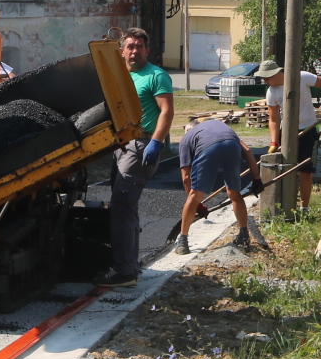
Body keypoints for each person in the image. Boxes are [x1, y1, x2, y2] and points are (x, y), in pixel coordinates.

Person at [99, 28, 174, 287]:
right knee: (126, 208)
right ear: (122, 51)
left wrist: (156, 142)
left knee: (121, 207)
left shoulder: (156, 75)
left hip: (141, 145)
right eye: (130, 46)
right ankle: (130, 265)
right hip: (120, 144)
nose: (135, 50)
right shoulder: (120, 77)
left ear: (147, 50)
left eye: (139, 46)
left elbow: (166, 111)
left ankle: (124, 272)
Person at [174, 113, 263, 255]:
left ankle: (183, 241)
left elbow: (186, 178)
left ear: (189, 130)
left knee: (195, 194)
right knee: (234, 193)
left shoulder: (187, 138)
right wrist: (257, 178)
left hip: (208, 148)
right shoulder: (221, 127)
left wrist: (197, 204)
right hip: (231, 144)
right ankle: (244, 235)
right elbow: (247, 150)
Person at [256, 60, 318, 210]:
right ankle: (285, 205)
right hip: (288, 132)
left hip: (308, 130)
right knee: (285, 167)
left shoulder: (301, 77)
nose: (265, 81)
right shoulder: (272, 91)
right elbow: (274, 119)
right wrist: (274, 142)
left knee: (305, 171)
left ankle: (304, 207)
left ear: (275, 73)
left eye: (266, 78)